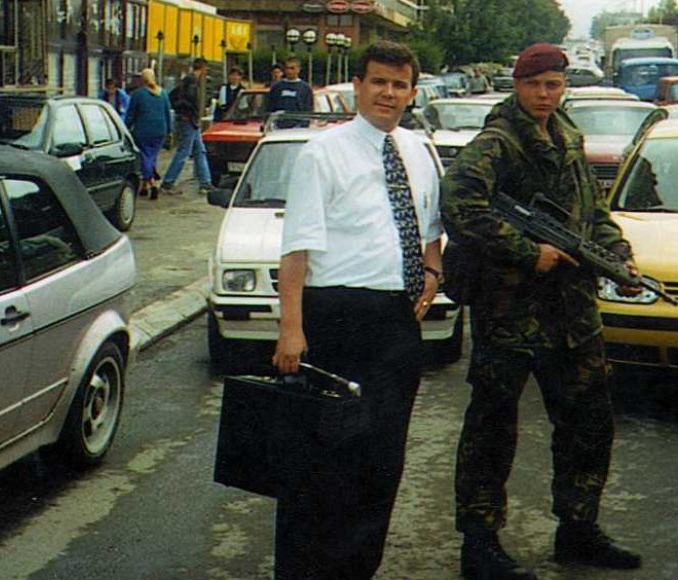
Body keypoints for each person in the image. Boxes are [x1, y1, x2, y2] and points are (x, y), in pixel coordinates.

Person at [440, 43, 643, 580]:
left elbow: (592, 211)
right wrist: (529, 252)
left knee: (588, 421)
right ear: (517, 85)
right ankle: (480, 544)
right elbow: (460, 206)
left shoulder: (568, 135)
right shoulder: (497, 143)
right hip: (510, 310)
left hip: (572, 311)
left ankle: (578, 529)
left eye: (553, 85)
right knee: (492, 427)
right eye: (534, 85)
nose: (544, 95)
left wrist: (617, 255)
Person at [272, 40, 441, 580]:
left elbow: (430, 228)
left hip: (395, 324)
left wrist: (432, 271)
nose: (388, 93)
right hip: (335, 319)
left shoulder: (418, 150)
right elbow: (296, 249)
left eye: (398, 84)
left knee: (381, 461)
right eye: (378, 82)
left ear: (412, 93)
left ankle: (356, 570)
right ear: (358, 86)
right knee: (321, 463)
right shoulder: (323, 153)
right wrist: (291, 329)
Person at [161, 58, 214, 194]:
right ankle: (168, 182)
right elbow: (191, 99)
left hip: (189, 120)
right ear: (203, 69)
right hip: (190, 120)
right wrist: (192, 112)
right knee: (184, 152)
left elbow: (172, 96)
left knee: (199, 151)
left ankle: (205, 182)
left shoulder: (185, 81)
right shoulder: (192, 82)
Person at [125, 68, 172, 200]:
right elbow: (167, 113)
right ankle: (144, 187)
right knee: (152, 156)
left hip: (143, 131)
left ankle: (152, 183)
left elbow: (130, 115)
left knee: (145, 156)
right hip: (160, 130)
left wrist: (125, 128)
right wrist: (169, 131)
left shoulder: (138, 94)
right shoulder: (163, 93)